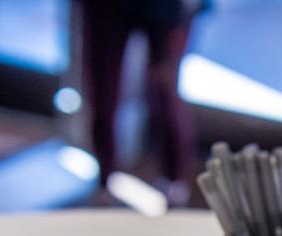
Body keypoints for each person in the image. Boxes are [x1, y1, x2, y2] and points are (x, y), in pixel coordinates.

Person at [82, 0, 205, 206]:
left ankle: (175, 185)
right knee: (103, 94)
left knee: (164, 92)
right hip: (108, 8)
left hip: (168, 8)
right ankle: (103, 183)